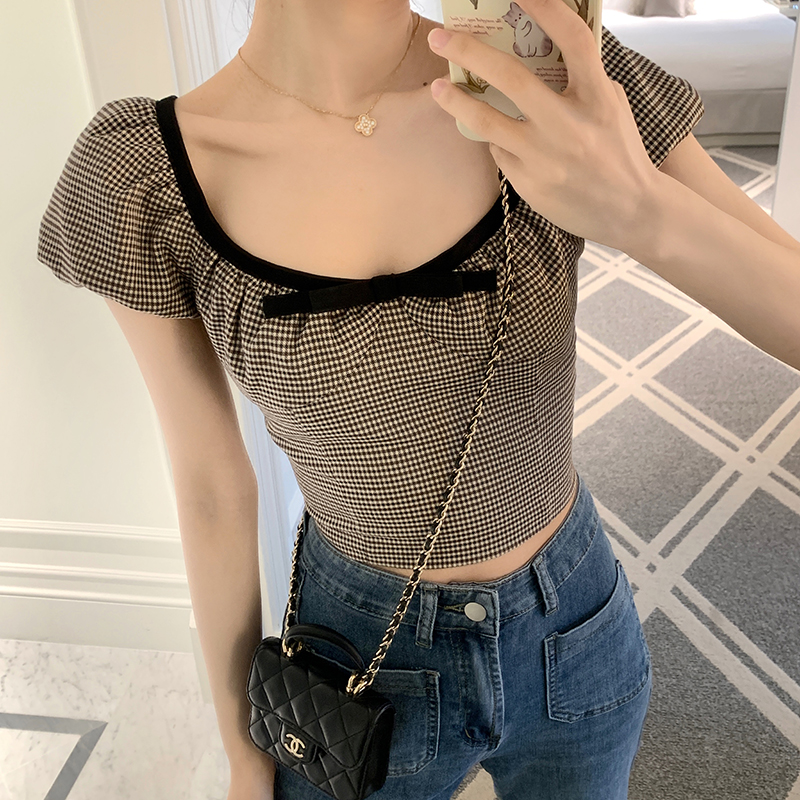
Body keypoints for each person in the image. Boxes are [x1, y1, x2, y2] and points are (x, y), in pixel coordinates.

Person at [38, 0, 733, 797]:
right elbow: (211, 486)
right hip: (354, 651)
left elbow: (770, 272)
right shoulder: (141, 174)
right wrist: (243, 752)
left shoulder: (549, 73)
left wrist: (640, 202)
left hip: (572, 621)